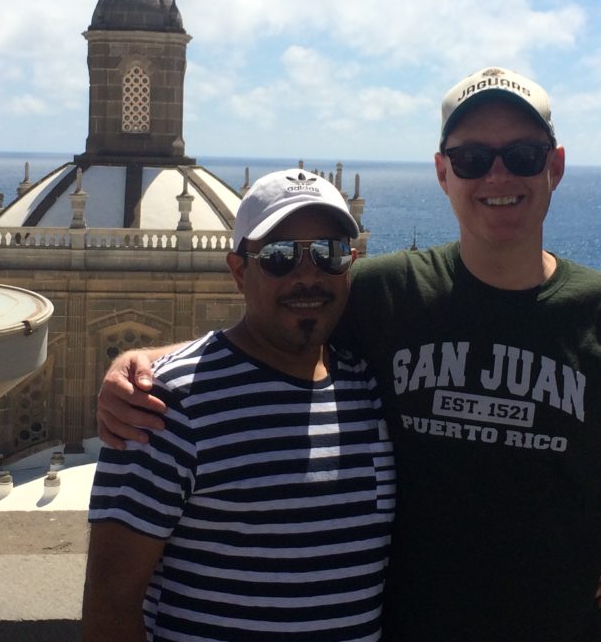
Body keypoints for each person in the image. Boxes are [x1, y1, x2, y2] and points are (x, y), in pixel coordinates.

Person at [98, 67, 601, 641]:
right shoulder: (388, 294)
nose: (497, 177)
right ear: (444, 172)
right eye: (471, 159)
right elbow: (279, 321)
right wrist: (144, 360)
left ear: (556, 165)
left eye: (522, 155)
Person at [82, 170, 396, 641]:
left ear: (350, 264)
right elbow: (109, 607)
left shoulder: (369, 387)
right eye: (279, 256)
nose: (307, 275)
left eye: (328, 254)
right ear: (238, 271)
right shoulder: (166, 404)